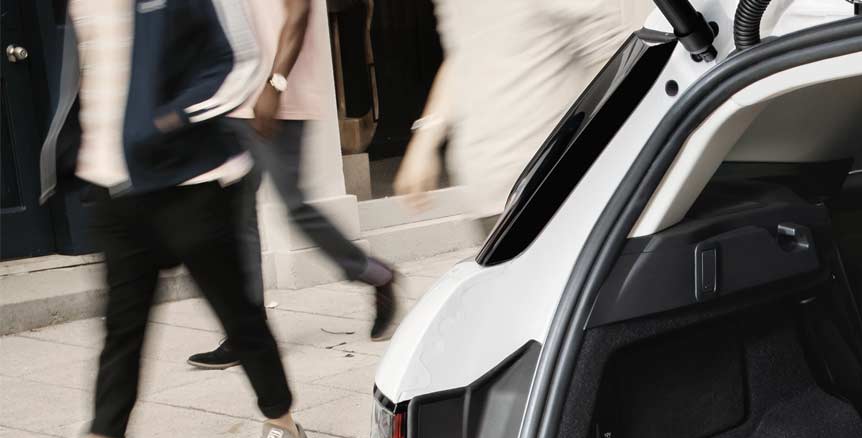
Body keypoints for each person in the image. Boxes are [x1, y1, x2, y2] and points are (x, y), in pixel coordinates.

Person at [26, 0, 311, 438]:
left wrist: (170, 120)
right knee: (122, 329)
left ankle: (283, 426)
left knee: (237, 314)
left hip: (193, 182)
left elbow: (240, 62)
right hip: (116, 187)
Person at [187, 0, 399, 372]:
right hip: (235, 96)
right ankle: (248, 332)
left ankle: (374, 273)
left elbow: (298, 13)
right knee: (238, 214)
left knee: (294, 206)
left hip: (279, 97)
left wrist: (276, 84)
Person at [394, 0, 630, 229]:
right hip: (486, 192)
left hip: (547, 187)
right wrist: (423, 144)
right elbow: (462, 55)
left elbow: (611, 57)